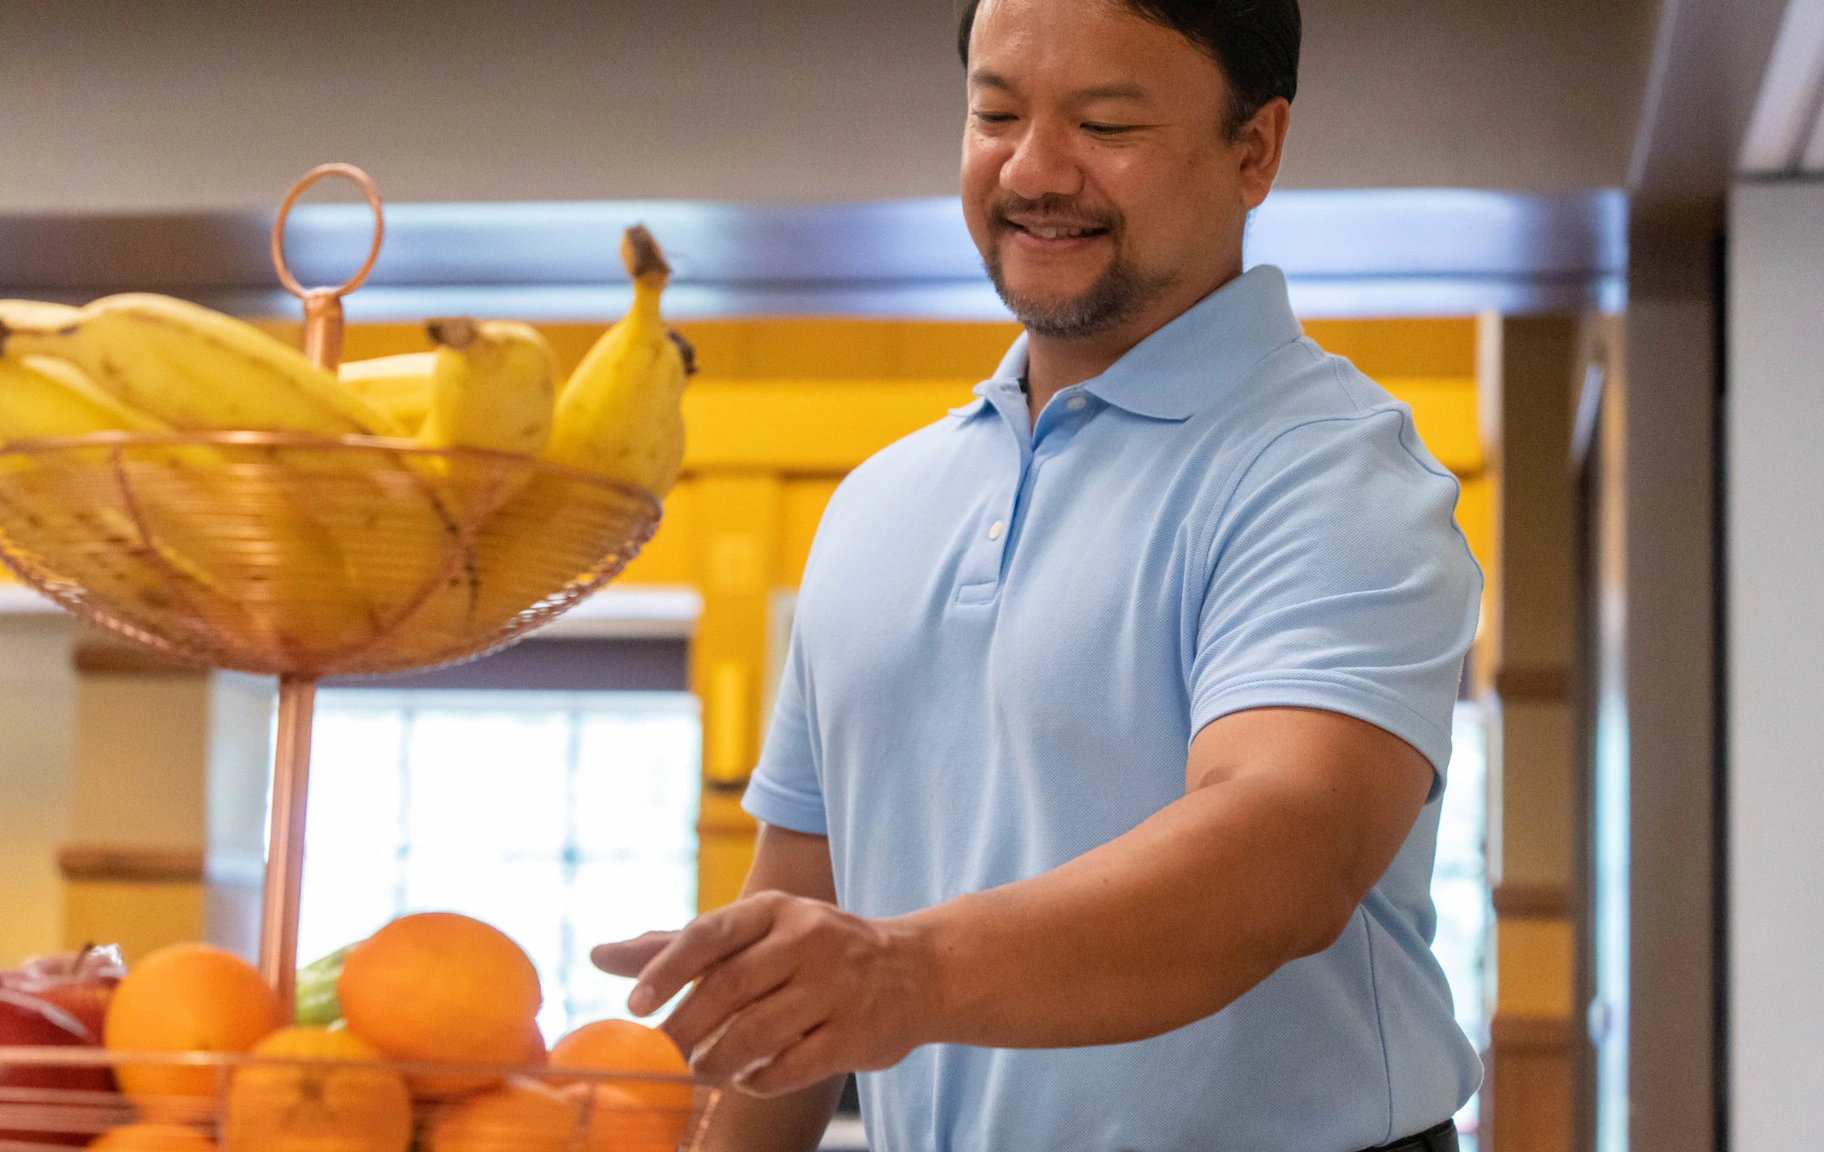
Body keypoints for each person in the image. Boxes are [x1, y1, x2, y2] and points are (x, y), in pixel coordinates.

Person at [594, 0, 1480, 1148]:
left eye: (1105, 123)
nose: (1034, 169)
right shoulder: (876, 505)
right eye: (994, 113)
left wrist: (903, 973)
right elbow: (798, 938)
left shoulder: (1330, 470)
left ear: (1253, 149)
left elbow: (1283, 848)